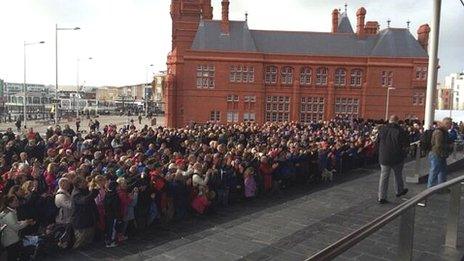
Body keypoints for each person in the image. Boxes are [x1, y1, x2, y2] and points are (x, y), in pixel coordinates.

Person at [376, 115, 409, 204]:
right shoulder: (400, 131)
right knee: (398, 175)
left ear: (389, 121)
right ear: (397, 121)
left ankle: (381, 197)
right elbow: (406, 144)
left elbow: (377, 142)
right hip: (397, 156)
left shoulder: (382, 130)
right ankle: (399, 190)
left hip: (384, 157)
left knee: (384, 177)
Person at [0, 195, 36, 261]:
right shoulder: (9, 214)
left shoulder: (10, 212)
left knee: (14, 256)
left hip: (11, 239)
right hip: (10, 240)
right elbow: (16, 227)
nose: (18, 202)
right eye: (15, 200)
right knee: (12, 257)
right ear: (10, 203)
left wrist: (26, 221)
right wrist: (27, 223)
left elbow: (15, 223)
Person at [71, 176, 99, 249]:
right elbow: (84, 200)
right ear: (78, 184)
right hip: (80, 220)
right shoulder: (76, 193)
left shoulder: (85, 190)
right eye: (83, 182)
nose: (85, 183)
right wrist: (93, 192)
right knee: (80, 239)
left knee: (88, 238)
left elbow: (90, 199)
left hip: (88, 218)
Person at [427, 117, 453, 188]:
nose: (451, 126)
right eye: (450, 124)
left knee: (442, 171)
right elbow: (438, 144)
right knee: (434, 171)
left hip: (441, 154)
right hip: (437, 154)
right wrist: (449, 146)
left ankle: (441, 187)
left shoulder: (443, 131)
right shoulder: (439, 132)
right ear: (446, 124)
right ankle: (430, 189)